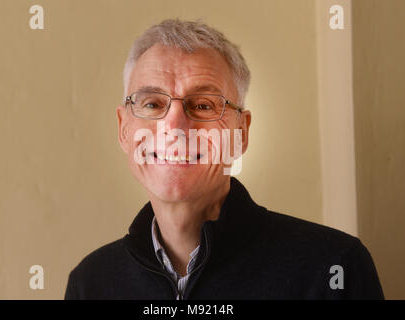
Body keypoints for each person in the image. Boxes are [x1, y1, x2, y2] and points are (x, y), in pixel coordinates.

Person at [64, 19, 384, 299]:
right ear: (124, 129)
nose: (174, 126)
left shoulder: (334, 269)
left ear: (241, 133)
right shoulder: (90, 284)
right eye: (152, 104)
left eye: (203, 105)